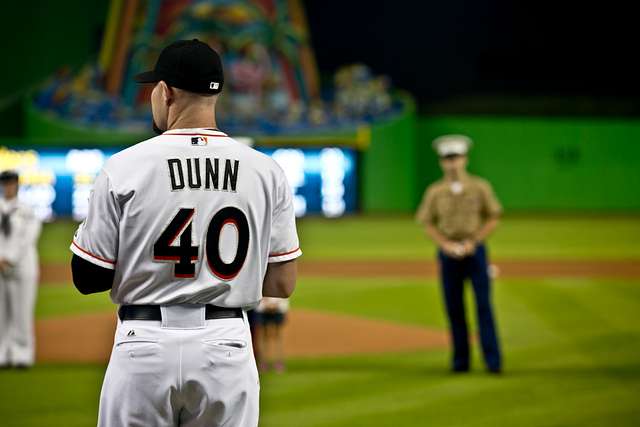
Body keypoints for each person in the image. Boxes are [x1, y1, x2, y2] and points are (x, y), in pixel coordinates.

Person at [69, 39, 301, 427]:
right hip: (226, 346)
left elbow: (86, 277)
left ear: (166, 91)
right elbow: (282, 282)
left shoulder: (125, 166)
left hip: (144, 345)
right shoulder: (265, 171)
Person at [415, 135, 502, 374]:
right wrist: (444, 244)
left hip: (476, 252)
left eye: (456, 157)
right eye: (447, 158)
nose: (452, 163)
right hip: (448, 253)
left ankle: (493, 361)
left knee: (483, 306)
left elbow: (493, 216)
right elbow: (427, 222)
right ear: (441, 162)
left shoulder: (479, 187)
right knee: (454, 309)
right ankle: (460, 362)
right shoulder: (435, 191)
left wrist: (475, 240)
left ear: (465, 159)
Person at [0, 170, 41, 369]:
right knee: (1, 313)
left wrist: (10, 258)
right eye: (5, 183)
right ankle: (3, 353)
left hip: (23, 266)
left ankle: (22, 354)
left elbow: (28, 239)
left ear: (16, 185)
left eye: (11, 183)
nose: (8, 186)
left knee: (22, 312)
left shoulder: (27, 210)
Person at [254, 297, 289, 373]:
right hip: (263, 307)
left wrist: (275, 304)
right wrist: (267, 304)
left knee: (277, 336)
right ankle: (263, 362)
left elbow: (283, 290)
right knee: (264, 336)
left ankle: (279, 362)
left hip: (278, 307)